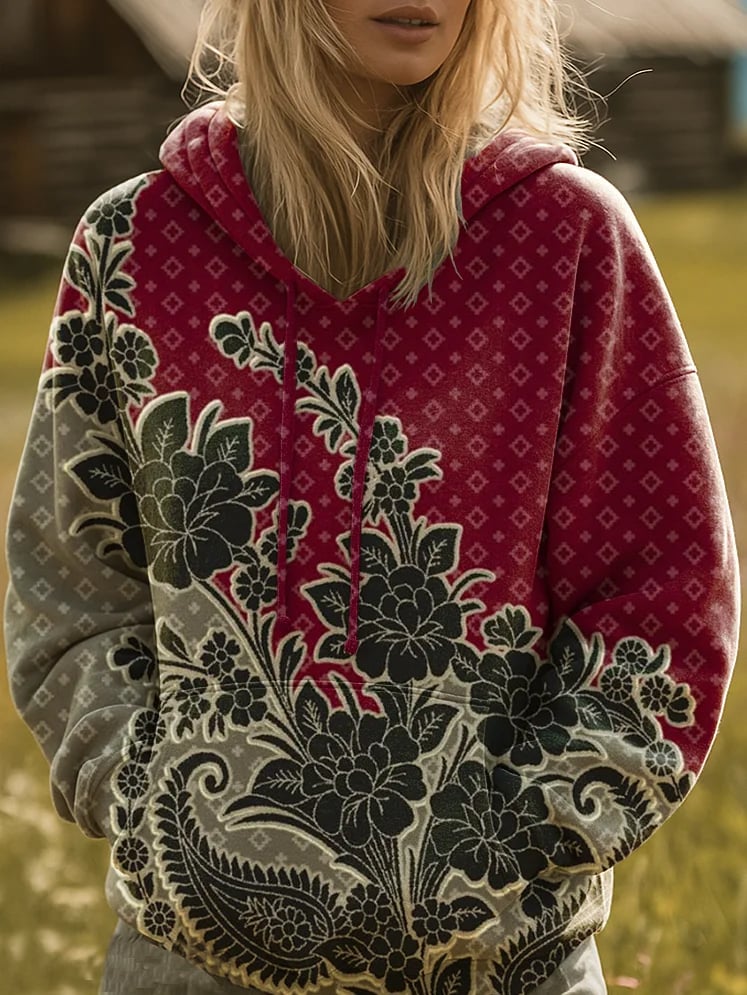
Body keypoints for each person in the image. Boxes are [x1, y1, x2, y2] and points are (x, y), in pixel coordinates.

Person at [4, 1, 739, 993]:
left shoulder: (566, 240)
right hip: (186, 968)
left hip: (504, 969)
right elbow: (69, 591)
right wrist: (158, 809)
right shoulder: (136, 246)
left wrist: (511, 847)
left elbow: (664, 599)